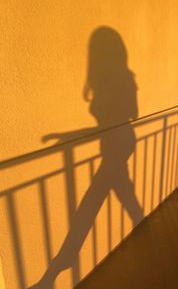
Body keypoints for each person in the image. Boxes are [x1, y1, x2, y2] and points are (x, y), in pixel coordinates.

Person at [29, 26, 143, 289]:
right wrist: (66, 136)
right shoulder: (101, 79)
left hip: (121, 144)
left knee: (87, 208)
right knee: (125, 199)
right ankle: (147, 230)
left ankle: (50, 276)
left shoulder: (125, 78)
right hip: (113, 145)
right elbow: (102, 125)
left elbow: (132, 114)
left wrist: (117, 94)